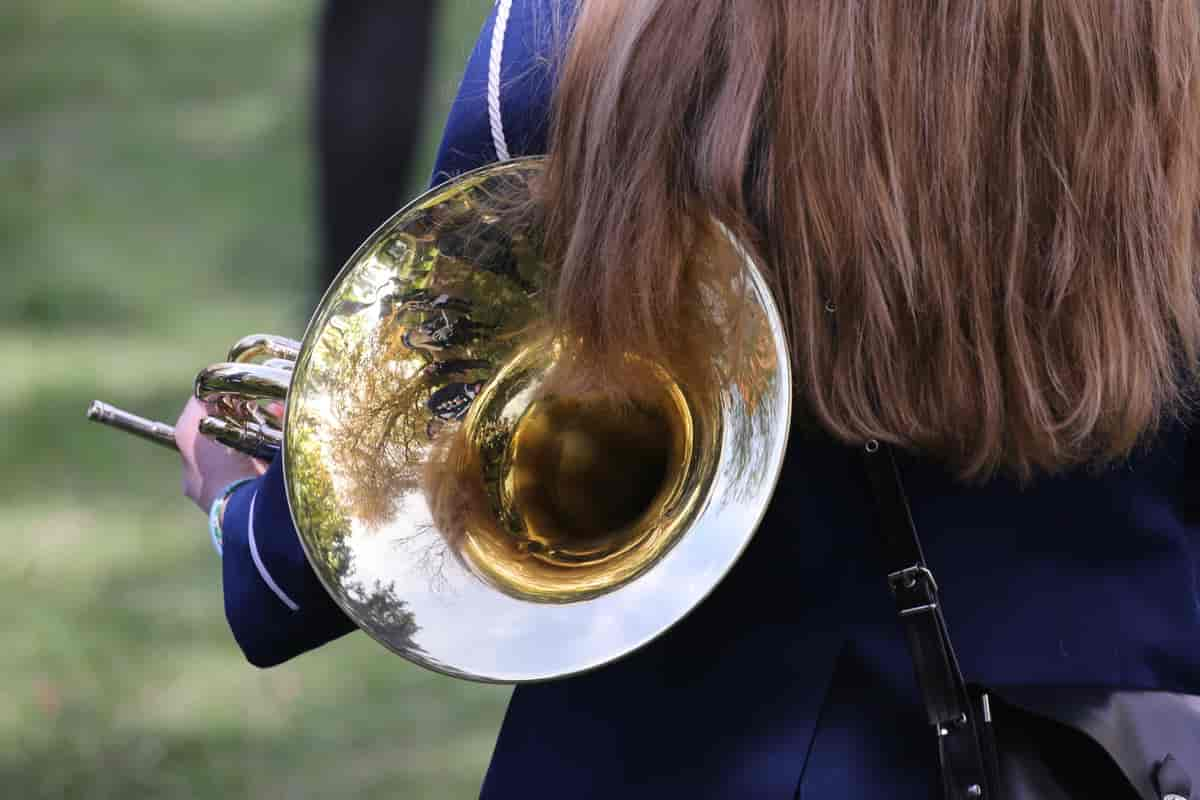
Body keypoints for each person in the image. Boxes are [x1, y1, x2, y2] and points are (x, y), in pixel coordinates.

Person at [176, 1, 1200, 797]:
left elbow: (391, 478)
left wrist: (245, 509)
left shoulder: (572, 31)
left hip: (685, 757)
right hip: (1120, 749)